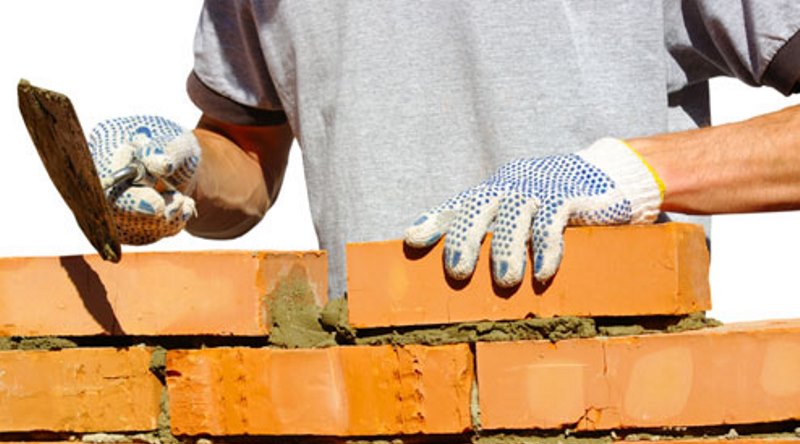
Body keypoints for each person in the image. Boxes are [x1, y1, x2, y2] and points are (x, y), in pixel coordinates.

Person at [88, 1, 800, 298]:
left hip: (610, 410)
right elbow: (246, 153)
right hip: (382, 421)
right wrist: (180, 167)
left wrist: (633, 171)